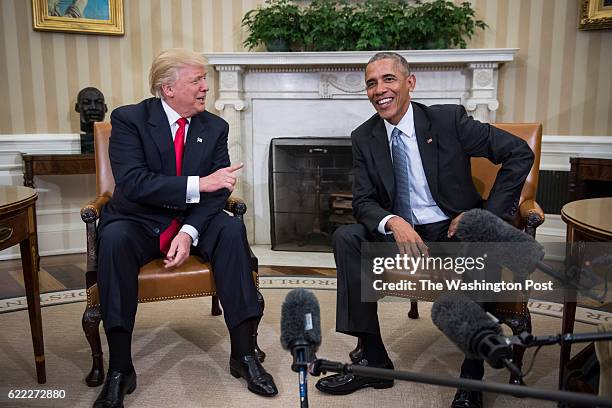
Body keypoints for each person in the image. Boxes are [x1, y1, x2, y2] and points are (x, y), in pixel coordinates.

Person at [314, 52, 534, 408]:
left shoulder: (449, 120)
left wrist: (488, 217)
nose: (379, 90)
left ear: (409, 83)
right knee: (347, 237)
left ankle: (471, 376)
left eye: (389, 79)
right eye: (371, 83)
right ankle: (373, 361)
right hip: (403, 235)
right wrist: (393, 222)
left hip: (452, 228)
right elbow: (363, 202)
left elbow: (519, 153)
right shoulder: (364, 136)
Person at [93, 48, 277, 408]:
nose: (205, 88)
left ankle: (244, 355)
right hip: (137, 220)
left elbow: (219, 190)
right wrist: (199, 183)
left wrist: (189, 231)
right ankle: (120, 369)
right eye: (196, 80)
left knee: (230, 230)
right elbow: (132, 183)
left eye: (204, 79)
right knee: (112, 238)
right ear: (168, 89)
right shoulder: (130, 119)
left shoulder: (215, 126)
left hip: (191, 220)